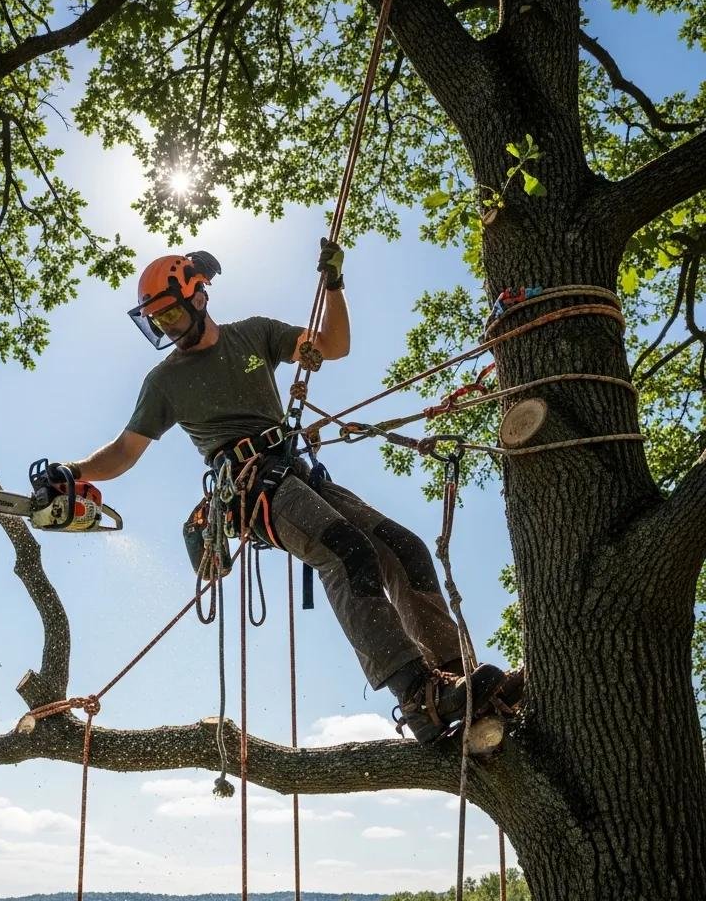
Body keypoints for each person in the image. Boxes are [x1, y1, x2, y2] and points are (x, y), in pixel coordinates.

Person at [48, 243, 520, 742]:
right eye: (156, 318)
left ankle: (456, 679)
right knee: (345, 550)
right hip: (250, 487)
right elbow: (124, 451)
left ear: (199, 297)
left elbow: (332, 345)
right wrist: (73, 470)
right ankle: (415, 693)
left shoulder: (254, 335)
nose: (164, 325)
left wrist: (334, 287)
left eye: (169, 311)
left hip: (297, 472)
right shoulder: (164, 381)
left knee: (405, 547)